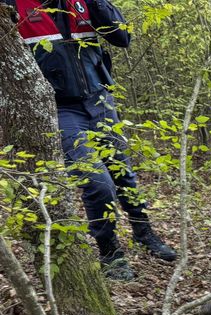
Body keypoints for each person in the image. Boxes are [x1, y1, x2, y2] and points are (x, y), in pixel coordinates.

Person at [8, 0, 176, 280]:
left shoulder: (84, 2)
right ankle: (110, 251)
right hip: (59, 107)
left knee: (124, 174)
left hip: (99, 98)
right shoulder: (15, 4)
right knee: (96, 182)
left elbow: (122, 38)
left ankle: (143, 232)